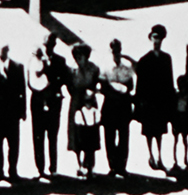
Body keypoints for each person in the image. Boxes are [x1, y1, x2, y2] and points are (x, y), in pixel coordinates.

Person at [134, 25, 175, 172]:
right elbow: (139, 85)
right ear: (150, 38)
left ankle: (159, 156)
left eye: (159, 38)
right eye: (154, 38)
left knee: (159, 131)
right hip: (149, 102)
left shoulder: (166, 58)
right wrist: (139, 103)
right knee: (149, 131)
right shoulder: (144, 60)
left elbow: (170, 81)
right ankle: (151, 155)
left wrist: (170, 101)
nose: (156, 41)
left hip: (161, 101)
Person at [0, 46, 26, 184]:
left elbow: (22, 91)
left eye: (4, 50)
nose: (1, 53)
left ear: (8, 51)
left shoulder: (18, 67)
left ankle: (13, 171)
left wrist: (23, 111)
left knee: (13, 145)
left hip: (12, 115)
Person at [28, 37, 66, 179]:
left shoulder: (60, 61)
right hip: (38, 102)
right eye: (46, 45)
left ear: (54, 46)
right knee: (38, 136)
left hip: (53, 102)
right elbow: (30, 82)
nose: (48, 48)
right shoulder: (34, 61)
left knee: (52, 136)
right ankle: (40, 169)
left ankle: (53, 168)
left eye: (50, 45)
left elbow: (63, 79)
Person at [67, 42, 103, 177]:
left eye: (80, 56)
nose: (78, 59)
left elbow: (98, 83)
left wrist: (92, 92)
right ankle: (79, 165)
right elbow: (69, 86)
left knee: (91, 135)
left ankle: (90, 166)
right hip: (76, 102)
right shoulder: (71, 70)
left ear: (87, 56)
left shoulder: (93, 68)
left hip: (90, 102)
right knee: (77, 135)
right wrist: (77, 95)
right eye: (76, 56)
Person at [101, 40, 137, 177]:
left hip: (123, 105)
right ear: (110, 51)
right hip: (110, 105)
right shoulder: (105, 67)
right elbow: (103, 87)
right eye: (113, 51)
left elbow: (131, 85)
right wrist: (113, 91)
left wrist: (123, 90)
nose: (116, 54)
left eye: (118, 51)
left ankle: (122, 166)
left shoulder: (126, 67)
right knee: (109, 137)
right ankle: (112, 166)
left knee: (123, 137)